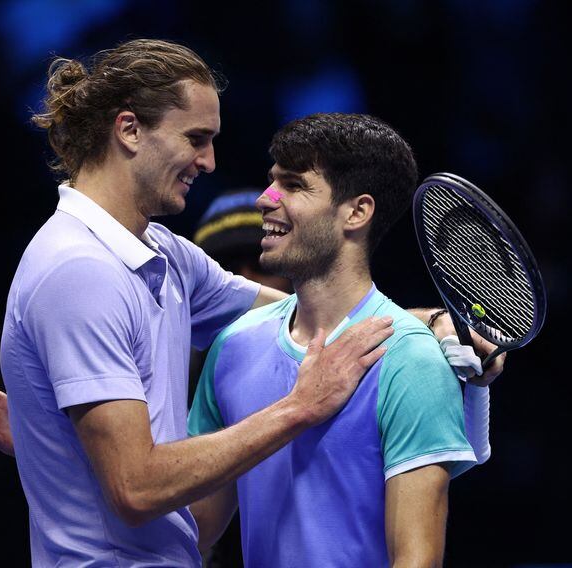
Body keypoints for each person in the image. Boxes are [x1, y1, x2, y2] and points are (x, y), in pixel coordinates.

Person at [0, 38, 397, 567]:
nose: (210, 162)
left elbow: (311, 317)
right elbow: (135, 489)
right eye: (196, 139)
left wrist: (430, 326)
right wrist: (299, 407)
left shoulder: (163, 251)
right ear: (129, 130)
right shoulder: (79, 271)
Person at [186, 112, 499, 567]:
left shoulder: (411, 359)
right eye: (272, 181)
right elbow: (197, 529)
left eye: (293, 185)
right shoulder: (232, 345)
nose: (264, 199)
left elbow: (416, 559)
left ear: (357, 212)